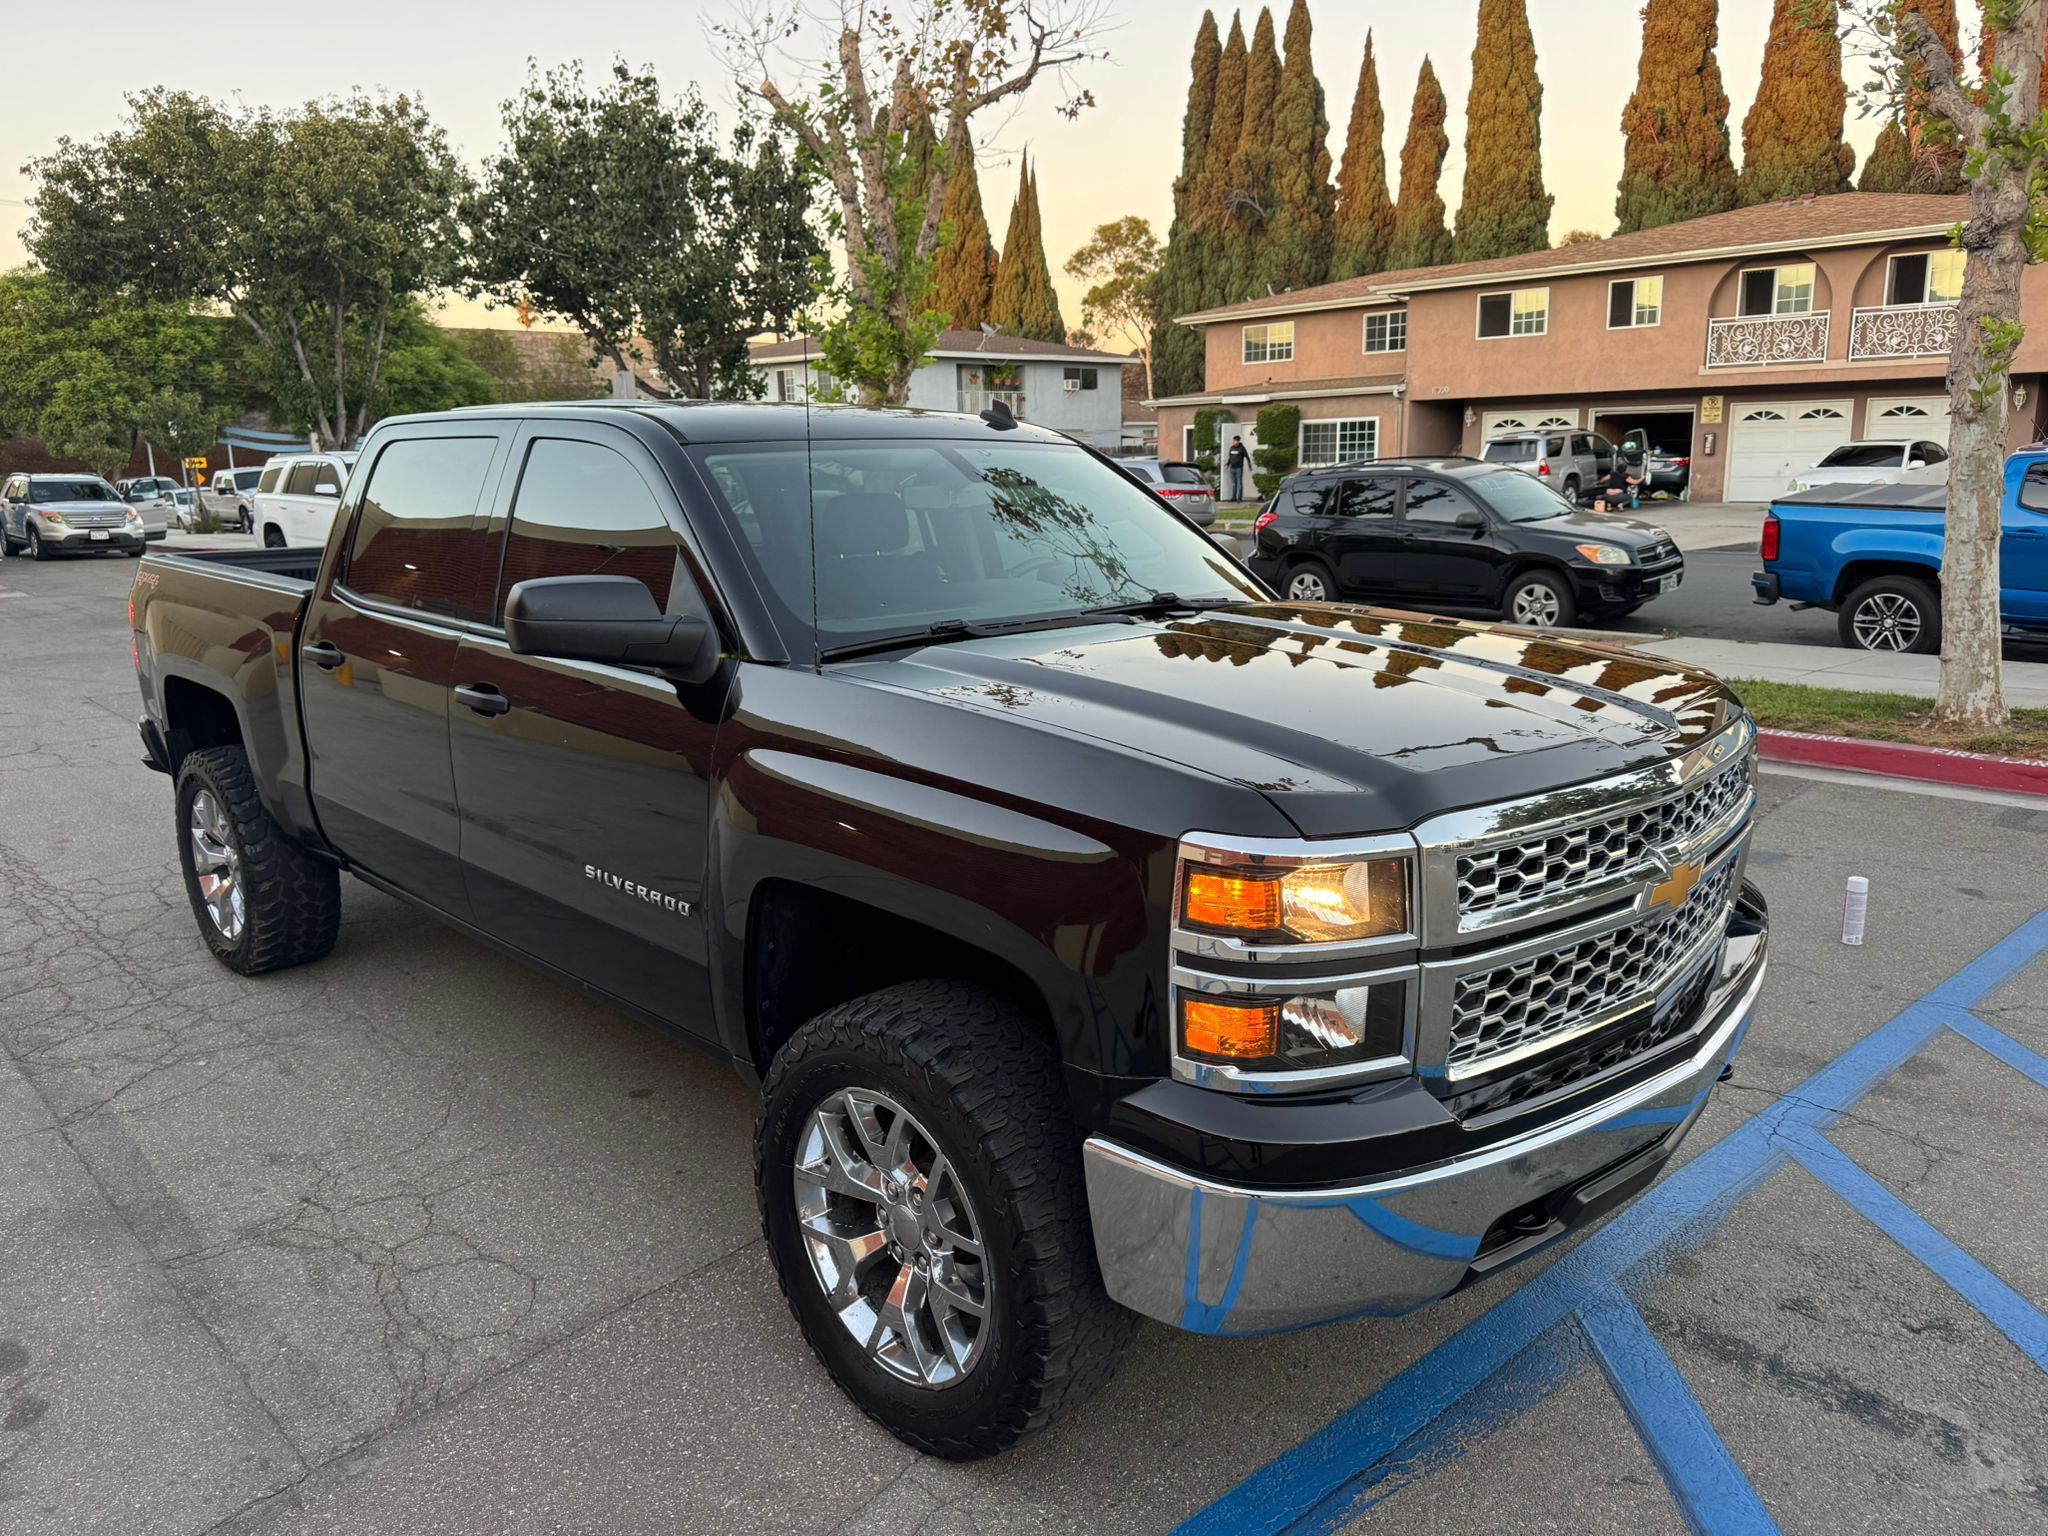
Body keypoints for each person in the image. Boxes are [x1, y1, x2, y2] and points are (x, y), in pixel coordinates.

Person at [1225, 435, 1250, 502]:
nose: (1233, 442)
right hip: (1232, 468)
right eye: (1233, 441)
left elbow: (1247, 457)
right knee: (1233, 484)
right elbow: (1230, 458)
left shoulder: (1242, 448)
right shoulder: (1231, 448)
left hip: (1239, 468)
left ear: (1238, 441)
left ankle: (1239, 498)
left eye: (1235, 441)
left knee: (1239, 483)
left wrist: (1249, 465)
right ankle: (1234, 498)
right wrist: (1227, 464)